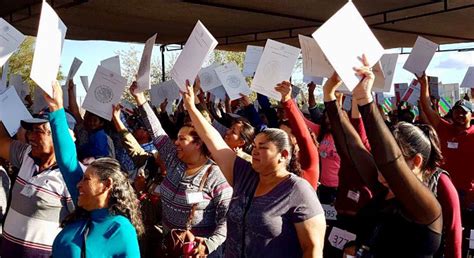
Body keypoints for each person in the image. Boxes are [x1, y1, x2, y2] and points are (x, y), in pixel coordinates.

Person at [182, 80, 326, 258]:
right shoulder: (245, 174)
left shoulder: (298, 190)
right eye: (255, 146)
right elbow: (214, 141)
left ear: (284, 155)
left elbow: (313, 249)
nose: (255, 151)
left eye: (264, 148)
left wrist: (288, 100)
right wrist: (191, 106)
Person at [323, 55, 443, 257]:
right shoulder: (382, 190)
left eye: (387, 155)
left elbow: (390, 162)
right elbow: (352, 148)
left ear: (417, 161)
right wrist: (329, 95)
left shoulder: (427, 209)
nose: (380, 165)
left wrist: (366, 101)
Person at [131, 81, 232, 257]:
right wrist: (140, 99)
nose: (175, 143)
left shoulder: (217, 176)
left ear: (199, 144)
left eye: (182, 139)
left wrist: (208, 245)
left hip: (198, 252)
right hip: (170, 248)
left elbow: (226, 219)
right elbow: (157, 131)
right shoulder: (173, 160)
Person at [42, 82, 143, 257]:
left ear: (106, 185)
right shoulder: (84, 208)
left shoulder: (120, 230)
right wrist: (56, 108)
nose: (78, 184)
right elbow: (68, 162)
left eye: (86, 179)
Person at [0, 101, 74, 257]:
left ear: (60, 136)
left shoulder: (72, 176)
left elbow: (81, 225)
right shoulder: (26, 155)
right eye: (30, 131)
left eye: (38, 131)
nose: (30, 137)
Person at [275, 81, 319, 189]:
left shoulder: (308, 160)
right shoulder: (281, 159)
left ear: (296, 139)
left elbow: (303, 135)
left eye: (285, 135)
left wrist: (287, 100)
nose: (281, 139)